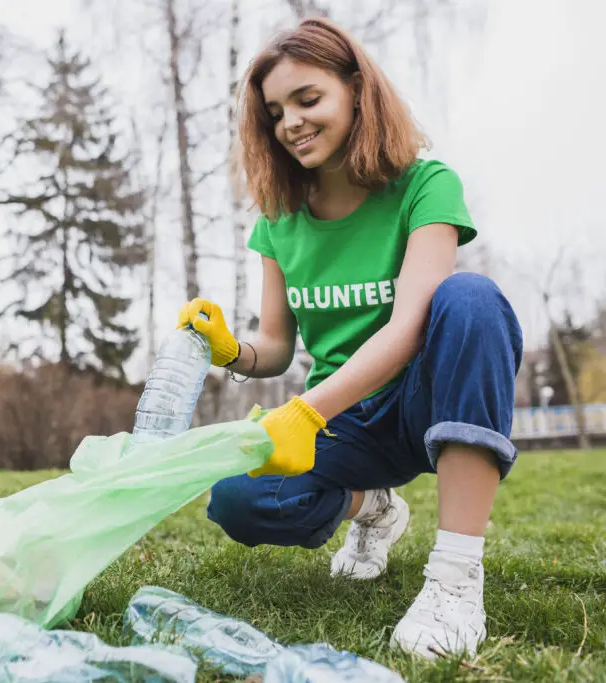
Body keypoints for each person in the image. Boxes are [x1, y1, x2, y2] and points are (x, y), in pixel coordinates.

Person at [178, 17, 522, 659]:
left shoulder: (426, 185)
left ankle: (454, 579)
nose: (291, 123)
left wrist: (306, 411)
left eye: (308, 99)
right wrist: (232, 351)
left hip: (422, 398)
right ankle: (375, 510)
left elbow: (411, 322)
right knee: (239, 500)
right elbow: (277, 347)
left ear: (358, 90)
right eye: (276, 111)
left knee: (471, 298)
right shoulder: (277, 222)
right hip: (346, 422)